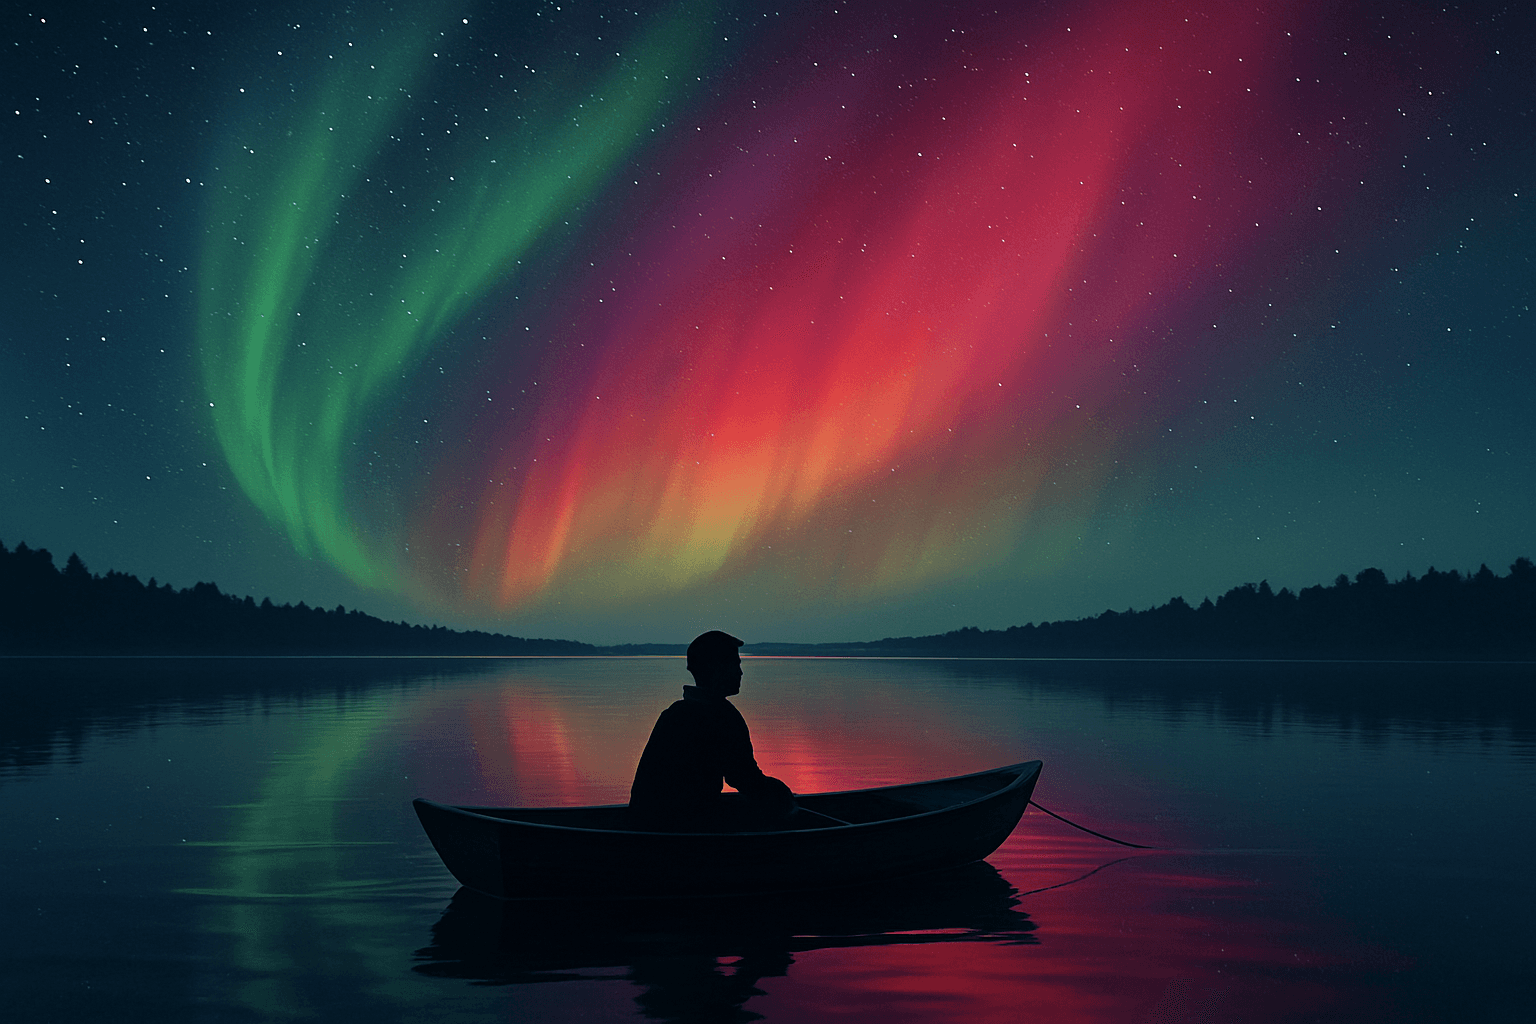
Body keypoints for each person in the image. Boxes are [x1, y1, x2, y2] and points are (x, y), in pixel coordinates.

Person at [629, 630, 795, 832]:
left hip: (646, 822)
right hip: (683, 828)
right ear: (717, 669)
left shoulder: (673, 713)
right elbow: (745, 779)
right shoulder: (722, 717)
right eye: (735, 664)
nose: (740, 672)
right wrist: (783, 796)